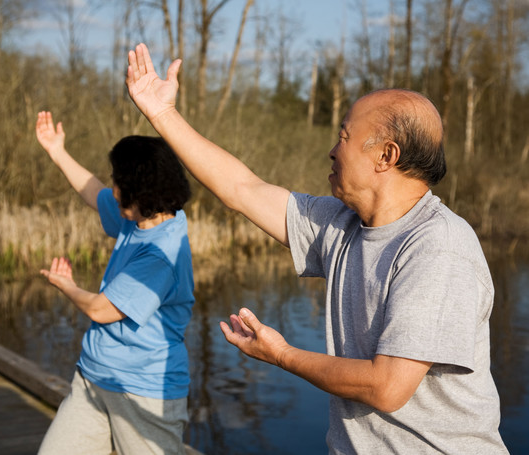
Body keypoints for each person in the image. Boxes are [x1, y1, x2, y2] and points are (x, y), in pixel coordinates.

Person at [124, 43, 509, 454]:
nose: (331, 149)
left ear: (386, 156)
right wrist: (162, 114)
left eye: (344, 136)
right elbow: (242, 189)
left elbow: (387, 387)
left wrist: (282, 355)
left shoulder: (438, 247)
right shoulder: (341, 224)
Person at [35, 111, 195, 455]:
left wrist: (65, 284)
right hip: (94, 378)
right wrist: (56, 151)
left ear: (140, 190)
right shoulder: (138, 217)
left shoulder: (160, 255)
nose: (113, 188)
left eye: (118, 181)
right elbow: (93, 190)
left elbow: (101, 309)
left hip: (142, 393)